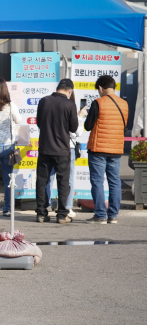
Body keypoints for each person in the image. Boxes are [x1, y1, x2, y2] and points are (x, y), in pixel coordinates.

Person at [84, 75, 128, 224]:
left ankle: (101, 215)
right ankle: (113, 215)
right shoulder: (124, 104)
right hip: (115, 149)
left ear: (101, 88)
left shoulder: (98, 103)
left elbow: (88, 126)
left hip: (98, 150)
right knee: (114, 182)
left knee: (97, 182)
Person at [35, 78, 79, 223]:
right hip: (62, 150)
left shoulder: (44, 101)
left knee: (42, 181)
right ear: (70, 90)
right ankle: (61, 215)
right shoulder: (69, 104)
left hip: (45, 148)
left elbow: (39, 123)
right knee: (63, 183)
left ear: (57, 88)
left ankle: (41, 213)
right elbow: (73, 128)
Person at [46, 90, 84, 219]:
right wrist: (80, 117)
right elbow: (76, 132)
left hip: (49, 146)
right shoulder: (70, 106)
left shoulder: (49, 105)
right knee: (67, 179)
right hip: (67, 148)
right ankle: (66, 207)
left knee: (48, 178)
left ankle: (46, 205)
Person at [0, 77, 22, 217]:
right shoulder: (10, 106)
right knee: (8, 179)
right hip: (8, 147)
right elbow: (18, 120)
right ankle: (7, 209)